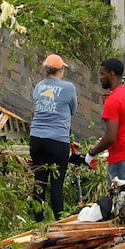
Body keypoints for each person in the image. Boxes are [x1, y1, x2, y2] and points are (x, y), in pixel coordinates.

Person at [29, 53, 77, 221]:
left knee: (39, 181)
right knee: (57, 184)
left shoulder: (38, 86)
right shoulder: (69, 88)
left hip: (36, 139)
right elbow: (73, 110)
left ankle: (38, 220)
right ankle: (59, 221)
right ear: (61, 69)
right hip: (57, 140)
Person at [85, 58, 125, 184]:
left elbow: (110, 138)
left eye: (102, 74)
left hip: (123, 159)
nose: (100, 77)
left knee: (119, 202)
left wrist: (91, 153)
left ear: (112, 75)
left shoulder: (113, 100)